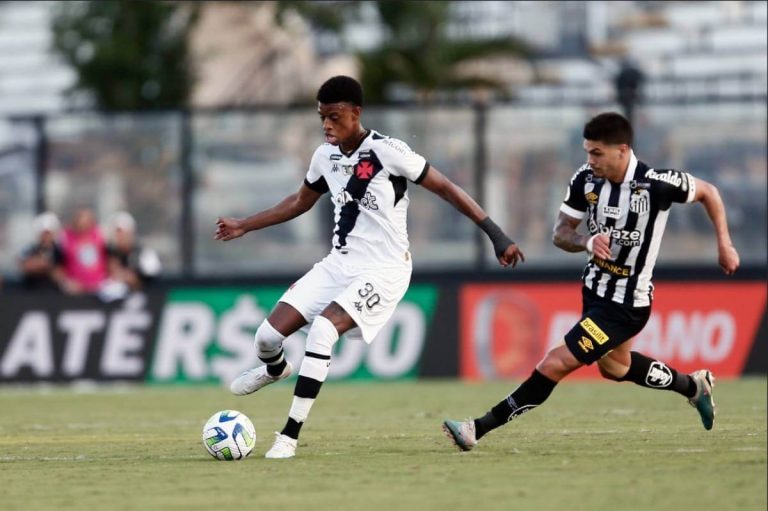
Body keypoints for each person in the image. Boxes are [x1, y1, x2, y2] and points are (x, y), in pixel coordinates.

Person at [215, 75, 525, 459]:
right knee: (264, 338)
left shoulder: (388, 151)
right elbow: (298, 202)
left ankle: (288, 437)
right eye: (321, 117)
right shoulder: (323, 156)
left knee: (323, 332)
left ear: (355, 113)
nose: (327, 125)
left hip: (385, 269)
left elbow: (447, 188)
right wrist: (245, 224)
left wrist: (495, 233)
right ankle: (276, 370)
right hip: (338, 265)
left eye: (334, 116)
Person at [442, 112, 740, 451]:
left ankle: (475, 429)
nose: (590, 160)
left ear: (622, 150)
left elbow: (710, 192)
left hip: (626, 305)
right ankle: (693, 387)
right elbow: (560, 233)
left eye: (597, 152)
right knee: (616, 368)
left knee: (554, 364)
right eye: (587, 151)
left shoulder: (656, 183)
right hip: (595, 292)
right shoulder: (586, 180)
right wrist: (585, 241)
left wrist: (724, 244)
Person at [101, 211, 162, 301]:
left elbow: (152, 279)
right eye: (117, 233)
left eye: (123, 233)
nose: (120, 237)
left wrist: (129, 277)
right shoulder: (108, 254)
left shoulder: (144, 254)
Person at [53, 207, 108, 295]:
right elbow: (56, 266)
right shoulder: (64, 238)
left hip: (99, 289)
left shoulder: (101, 235)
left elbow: (110, 261)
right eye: (80, 219)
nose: (83, 223)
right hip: (74, 290)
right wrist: (66, 282)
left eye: (87, 220)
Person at [18, 212, 63, 291]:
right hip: (32, 290)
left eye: (48, 233)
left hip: (53, 293)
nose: (46, 236)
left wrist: (46, 266)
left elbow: (60, 274)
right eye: (43, 233)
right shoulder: (31, 249)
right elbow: (25, 266)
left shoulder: (59, 251)